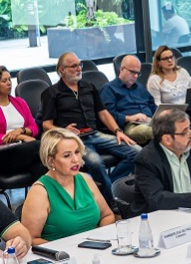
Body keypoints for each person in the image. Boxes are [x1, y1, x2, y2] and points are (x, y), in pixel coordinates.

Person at [41, 52, 139, 207]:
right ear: (62, 69)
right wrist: (62, 131)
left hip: (95, 134)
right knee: (95, 162)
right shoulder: (52, 93)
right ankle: (110, 202)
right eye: (74, 66)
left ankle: (105, 189)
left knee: (136, 152)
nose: (79, 68)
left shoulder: (89, 87)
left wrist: (118, 131)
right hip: (73, 140)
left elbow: (103, 113)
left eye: (80, 65)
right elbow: (46, 124)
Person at [21, 129, 115, 244]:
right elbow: (30, 239)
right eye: (67, 155)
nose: (75, 160)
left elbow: (107, 215)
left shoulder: (85, 179)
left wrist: (99, 240)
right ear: (51, 161)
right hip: (60, 257)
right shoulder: (39, 192)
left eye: (77, 152)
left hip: (94, 250)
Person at [0, 65, 38, 168]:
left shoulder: (20, 102)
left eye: (9, 79)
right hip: (2, 153)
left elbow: (34, 128)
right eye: (4, 81)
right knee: (40, 151)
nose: (9, 83)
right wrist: (21, 137)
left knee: (43, 164)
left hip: (26, 148)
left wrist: (20, 130)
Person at [100, 55, 157, 146]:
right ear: (122, 69)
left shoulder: (139, 87)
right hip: (130, 125)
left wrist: (162, 114)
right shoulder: (109, 89)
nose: (135, 76)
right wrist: (129, 118)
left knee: (177, 123)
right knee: (158, 131)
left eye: (138, 73)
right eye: (132, 72)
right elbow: (107, 115)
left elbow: (152, 105)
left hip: (150, 121)